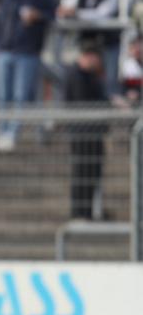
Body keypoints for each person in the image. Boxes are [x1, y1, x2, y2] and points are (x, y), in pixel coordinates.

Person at [0, 0, 56, 153]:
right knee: (2, 95)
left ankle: (12, 135)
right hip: (6, 51)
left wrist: (39, 16)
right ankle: (1, 133)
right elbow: (0, 22)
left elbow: (54, 13)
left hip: (28, 52)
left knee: (20, 96)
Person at [58, 0, 121, 97]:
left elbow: (101, 15)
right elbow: (65, 7)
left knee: (109, 79)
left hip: (107, 44)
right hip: (85, 44)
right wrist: (66, 11)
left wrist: (76, 14)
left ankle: (108, 106)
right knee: (78, 76)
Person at [65, 43, 109, 220]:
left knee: (92, 174)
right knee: (82, 174)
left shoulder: (91, 75)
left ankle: (89, 211)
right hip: (82, 133)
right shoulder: (76, 75)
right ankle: (80, 212)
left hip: (93, 133)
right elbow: (84, 102)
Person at [121, 33, 143, 103]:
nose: (137, 50)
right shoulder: (128, 64)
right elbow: (130, 85)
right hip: (135, 96)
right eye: (133, 48)